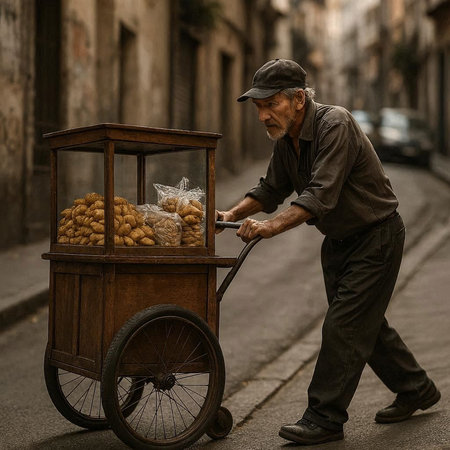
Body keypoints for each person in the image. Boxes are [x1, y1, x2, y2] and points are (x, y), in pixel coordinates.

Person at [215, 59, 440, 445]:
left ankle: (324, 417)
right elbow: (271, 189)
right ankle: (416, 388)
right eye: (258, 107)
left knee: (345, 326)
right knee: (366, 325)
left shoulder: (335, 125)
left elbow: (319, 195)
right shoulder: (287, 139)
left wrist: (270, 227)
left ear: (298, 99)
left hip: (377, 237)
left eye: (270, 104)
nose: (262, 115)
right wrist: (229, 215)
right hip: (338, 243)